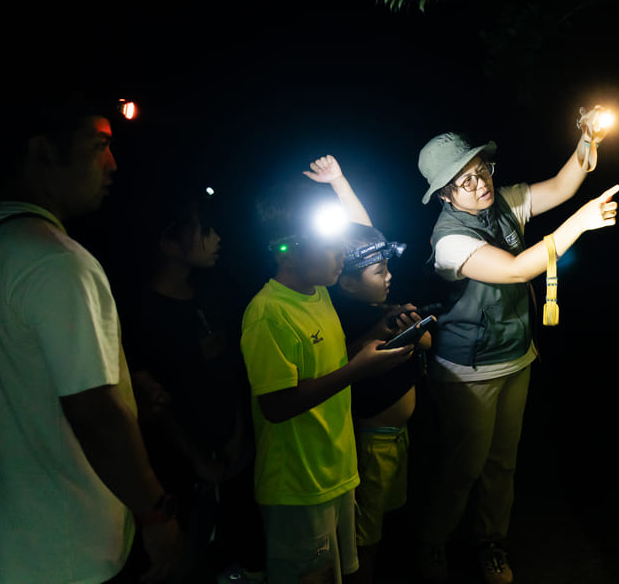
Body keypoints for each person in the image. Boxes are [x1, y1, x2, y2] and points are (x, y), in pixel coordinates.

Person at [0, 99, 183, 584]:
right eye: (98, 145)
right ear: (43, 152)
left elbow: (23, 372)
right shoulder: (57, 260)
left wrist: (124, 386)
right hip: (68, 551)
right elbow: (95, 414)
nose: (112, 164)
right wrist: (156, 515)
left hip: (6, 544)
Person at [414, 128, 619, 584]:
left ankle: (491, 543)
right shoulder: (448, 241)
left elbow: (564, 185)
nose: (480, 183)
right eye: (464, 181)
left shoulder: (503, 200)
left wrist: (588, 137)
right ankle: (431, 543)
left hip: (516, 354)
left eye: (480, 170)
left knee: (501, 463)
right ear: (445, 195)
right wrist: (579, 223)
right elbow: (514, 269)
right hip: (468, 369)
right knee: (463, 466)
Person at [240, 181, 415, 584]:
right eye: (331, 248)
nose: (342, 257)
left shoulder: (318, 292)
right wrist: (359, 371)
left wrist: (374, 334)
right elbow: (276, 406)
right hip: (297, 486)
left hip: (336, 469)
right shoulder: (268, 314)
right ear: (291, 249)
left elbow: (329, 363)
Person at [120, 183, 260, 583]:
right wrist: (196, 459)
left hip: (230, 453)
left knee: (227, 552)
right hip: (178, 470)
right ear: (169, 243)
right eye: (203, 229)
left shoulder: (212, 295)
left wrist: (235, 432)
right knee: (182, 561)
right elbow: (154, 403)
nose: (217, 238)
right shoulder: (144, 314)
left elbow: (232, 369)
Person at [305, 155, 430, 583]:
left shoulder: (378, 302)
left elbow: (363, 234)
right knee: (364, 533)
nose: (390, 275)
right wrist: (380, 332)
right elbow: (340, 361)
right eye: (380, 271)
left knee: (387, 516)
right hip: (371, 441)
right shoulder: (342, 315)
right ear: (347, 281)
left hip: (397, 437)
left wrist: (340, 183)